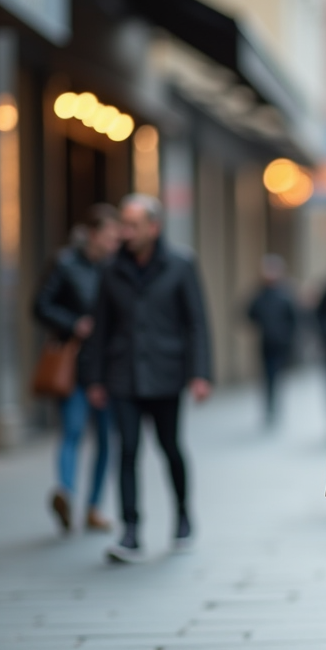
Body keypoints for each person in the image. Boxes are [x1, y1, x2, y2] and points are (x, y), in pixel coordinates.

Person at [79, 194, 213, 563]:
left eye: (132, 225)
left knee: (170, 448)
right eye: (122, 224)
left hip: (167, 374)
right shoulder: (110, 270)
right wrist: (94, 379)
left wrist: (200, 374)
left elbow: (196, 323)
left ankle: (183, 515)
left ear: (153, 228)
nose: (125, 232)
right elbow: (100, 328)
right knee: (127, 451)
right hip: (122, 376)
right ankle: (131, 531)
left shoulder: (181, 264)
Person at [33, 204, 122, 533]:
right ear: (94, 233)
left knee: (105, 440)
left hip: (108, 368)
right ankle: (66, 494)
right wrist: (74, 324)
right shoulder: (65, 262)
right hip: (74, 366)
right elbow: (40, 305)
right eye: (111, 237)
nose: (115, 243)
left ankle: (94, 507)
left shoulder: (117, 268)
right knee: (71, 431)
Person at [247, 255, 298, 425]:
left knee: (277, 375)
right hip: (266, 343)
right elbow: (249, 313)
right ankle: (270, 406)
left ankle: (275, 405)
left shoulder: (285, 295)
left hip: (281, 343)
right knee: (268, 376)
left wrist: (289, 336)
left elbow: (294, 318)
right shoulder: (260, 295)